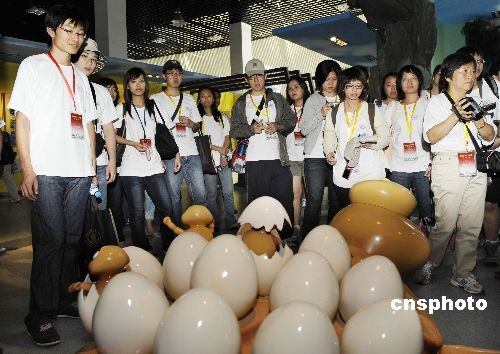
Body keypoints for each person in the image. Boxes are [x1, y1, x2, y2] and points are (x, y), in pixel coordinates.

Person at [8, 4, 96, 346]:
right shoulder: (33, 67)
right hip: (45, 171)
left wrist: (90, 169)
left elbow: (87, 125)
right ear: (51, 30)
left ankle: (61, 301)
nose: (75, 38)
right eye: (69, 31)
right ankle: (39, 316)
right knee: (50, 242)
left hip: (78, 173)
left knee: (72, 241)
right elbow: (23, 119)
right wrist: (27, 168)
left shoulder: (82, 77)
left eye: (80, 33)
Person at [415, 52, 496, 294]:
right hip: (449, 164)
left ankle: (463, 274)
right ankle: (429, 262)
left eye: (473, 71)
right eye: (465, 71)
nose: (471, 76)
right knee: (446, 223)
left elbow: (490, 137)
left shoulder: (477, 100)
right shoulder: (436, 103)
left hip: (475, 165)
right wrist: (456, 115)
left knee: (471, 225)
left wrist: (480, 120)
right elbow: (430, 136)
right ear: (449, 76)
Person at [229, 59, 296, 238]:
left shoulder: (278, 99)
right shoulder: (241, 102)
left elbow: (291, 121)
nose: (256, 80)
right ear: (246, 80)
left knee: (284, 200)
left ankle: (285, 237)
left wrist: (277, 125)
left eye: (259, 75)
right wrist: (250, 129)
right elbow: (234, 130)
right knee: (257, 203)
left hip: (278, 160)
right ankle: (258, 237)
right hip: (254, 161)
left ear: (265, 77)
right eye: (252, 77)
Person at [116, 67, 177, 253]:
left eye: (141, 81)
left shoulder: (153, 106)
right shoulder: (122, 108)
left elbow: (166, 132)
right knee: (137, 211)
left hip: (154, 166)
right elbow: (112, 135)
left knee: (166, 207)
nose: (138, 85)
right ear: (127, 85)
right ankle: (142, 248)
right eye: (134, 81)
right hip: (131, 168)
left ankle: (170, 246)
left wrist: (177, 155)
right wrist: (133, 143)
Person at [323, 66, 390, 208]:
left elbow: (385, 137)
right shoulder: (333, 113)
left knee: (372, 214)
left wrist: (371, 144)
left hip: (370, 171)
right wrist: (329, 152)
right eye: (350, 86)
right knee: (348, 212)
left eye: (358, 86)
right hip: (344, 171)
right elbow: (329, 137)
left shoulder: (371, 109)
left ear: (363, 88)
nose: (354, 91)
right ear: (342, 87)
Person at [150, 60, 207, 226]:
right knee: (173, 196)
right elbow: (153, 128)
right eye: (171, 73)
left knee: (200, 194)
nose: (175, 77)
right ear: (164, 76)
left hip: (192, 153)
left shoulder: (189, 98)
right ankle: (176, 230)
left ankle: (200, 227)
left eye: (178, 73)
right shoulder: (155, 99)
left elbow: (197, 127)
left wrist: (191, 123)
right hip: (170, 154)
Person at [385, 65, 433, 233]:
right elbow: (383, 134)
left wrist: (433, 162)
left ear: (419, 81)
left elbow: (434, 135)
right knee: (399, 208)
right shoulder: (393, 107)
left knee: (426, 207)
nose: (409, 82)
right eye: (405, 79)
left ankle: (428, 243)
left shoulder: (428, 104)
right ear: (400, 83)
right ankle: (402, 239)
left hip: (423, 165)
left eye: (413, 78)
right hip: (398, 166)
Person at [72, 38, 117, 209]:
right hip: (72, 162)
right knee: (76, 215)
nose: (89, 63)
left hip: (99, 162)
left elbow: (108, 128)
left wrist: (112, 160)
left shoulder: (101, 92)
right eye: (84, 56)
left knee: (98, 211)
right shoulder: (64, 86)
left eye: (93, 59)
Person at [300, 60, 342, 240]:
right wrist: (321, 114)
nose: (331, 82)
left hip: (338, 157)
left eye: (334, 78)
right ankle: (307, 241)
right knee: (314, 201)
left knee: (336, 202)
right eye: (327, 79)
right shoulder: (312, 99)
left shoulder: (344, 99)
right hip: (315, 157)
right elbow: (303, 129)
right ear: (320, 81)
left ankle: (331, 240)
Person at [197, 85, 238, 230]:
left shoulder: (221, 117)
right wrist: (217, 148)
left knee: (228, 192)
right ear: (199, 100)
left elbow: (227, 137)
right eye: (203, 96)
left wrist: (222, 153)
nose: (206, 99)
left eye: (209, 96)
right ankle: (213, 222)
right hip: (208, 162)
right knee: (211, 195)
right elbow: (201, 143)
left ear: (213, 98)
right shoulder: (198, 120)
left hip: (223, 159)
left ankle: (231, 220)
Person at [96, 77, 127, 242]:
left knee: (114, 201)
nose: (111, 92)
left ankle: (115, 234)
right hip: (98, 164)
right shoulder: (94, 107)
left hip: (114, 164)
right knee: (98, 199)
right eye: (107, 88)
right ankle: (98, 236)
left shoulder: (119, 111)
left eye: (114, 89)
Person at [285, 75, 311, 239]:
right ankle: (296, 227)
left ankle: (309, 227)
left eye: (296, 87)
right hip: (292, 157)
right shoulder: (286, 111)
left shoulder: (311, 108)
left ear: (303, 88)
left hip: (310, 157)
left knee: (312, 196)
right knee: (295, 194)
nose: (293, 90)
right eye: (290, 88)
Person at [0, 119, 20, 203]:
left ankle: (15, 197)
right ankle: (15, 197)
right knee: (9, 179)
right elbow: (13, 143)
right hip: (8, 161)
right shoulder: (6, 134)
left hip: (2, 162)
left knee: (8, 179)